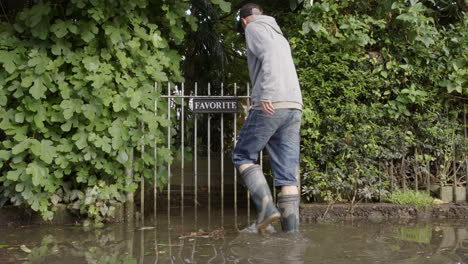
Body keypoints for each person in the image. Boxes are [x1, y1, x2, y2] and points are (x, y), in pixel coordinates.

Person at [232, 3, 303, 233]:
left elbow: (269, 55)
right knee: (287, 175)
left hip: (273, 103)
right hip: (293, 106)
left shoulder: (253, 28)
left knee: (242, 155)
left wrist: (267, 93)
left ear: (244, 20)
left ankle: (265, 211)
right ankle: (291, 236)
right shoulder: (278, 33)